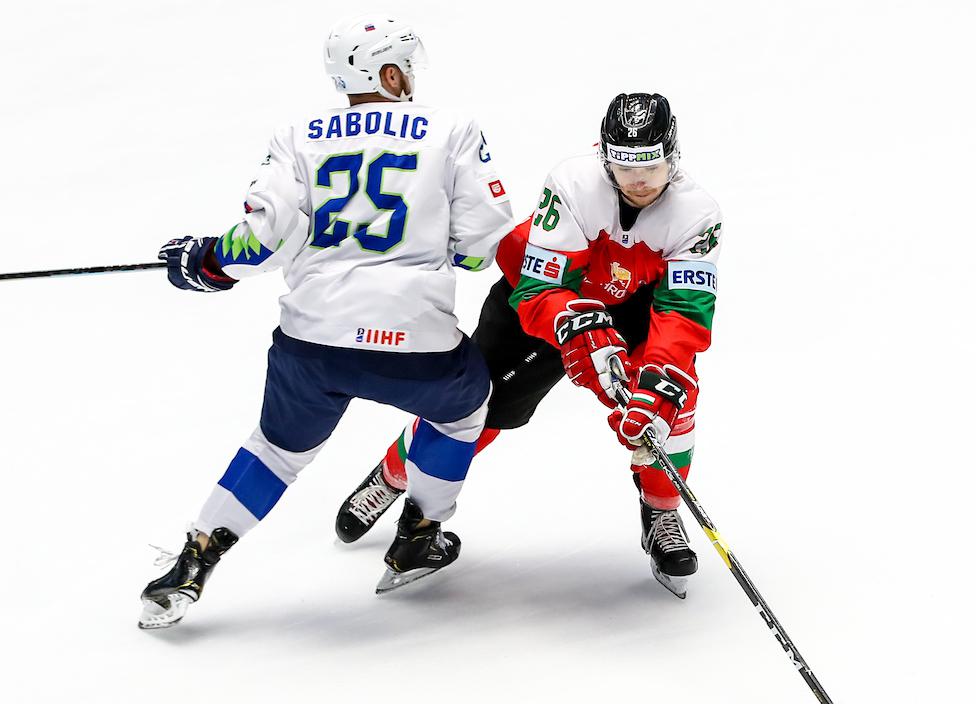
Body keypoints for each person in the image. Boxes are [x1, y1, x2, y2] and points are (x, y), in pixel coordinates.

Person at [138, 16, 515, 629]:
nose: (412, 79)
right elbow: (481, 244)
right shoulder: (451, 129)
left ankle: (193, 560)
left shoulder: (296, 134)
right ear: (389, 74)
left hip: (312, 342)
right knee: (464, 411)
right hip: (416, 343)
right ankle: (419, 532)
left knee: (275, 453)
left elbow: (262, 240)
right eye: (407, 68)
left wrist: (210, 259)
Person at [334, 93, 723, 599]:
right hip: (549, 296)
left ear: (673, 155)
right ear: (604, 157)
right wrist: (572, 324)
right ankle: (393, 473)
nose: (640, 181)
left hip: (631, 306)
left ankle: (662, 510)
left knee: (671, 400)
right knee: (474, 404)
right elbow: (540, 287)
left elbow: (682, 313)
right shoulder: (573, 183)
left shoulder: (697, 214)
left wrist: (657, 382)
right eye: (625, 167)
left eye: (651, 165)